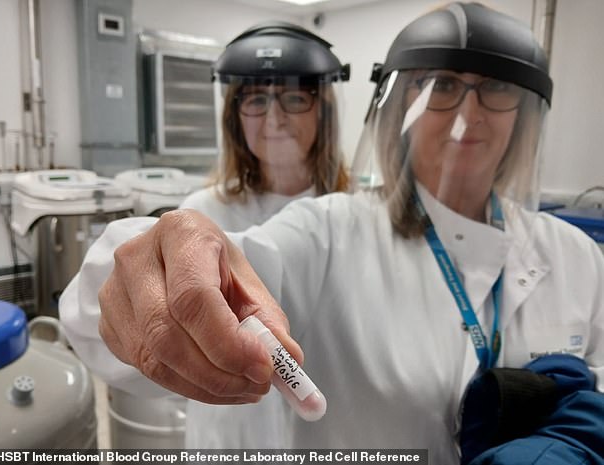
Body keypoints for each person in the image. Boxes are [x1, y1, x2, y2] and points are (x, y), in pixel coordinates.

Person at [62, 2, 604, 462]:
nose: (469, 111)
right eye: (439, 86)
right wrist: (143, 267)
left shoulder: (577, 254)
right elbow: (182, 278)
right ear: (398, 111)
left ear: (526, 116)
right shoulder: (330, 227)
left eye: (494, 88)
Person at [60, 21, 350, 449]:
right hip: (229, 438)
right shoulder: (203, 210)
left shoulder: (353, 214)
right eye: (254, 99)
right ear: (233, 116)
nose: (273, 117)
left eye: (294, 97)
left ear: (323, 111)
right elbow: (109, 313)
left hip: (337, 435)